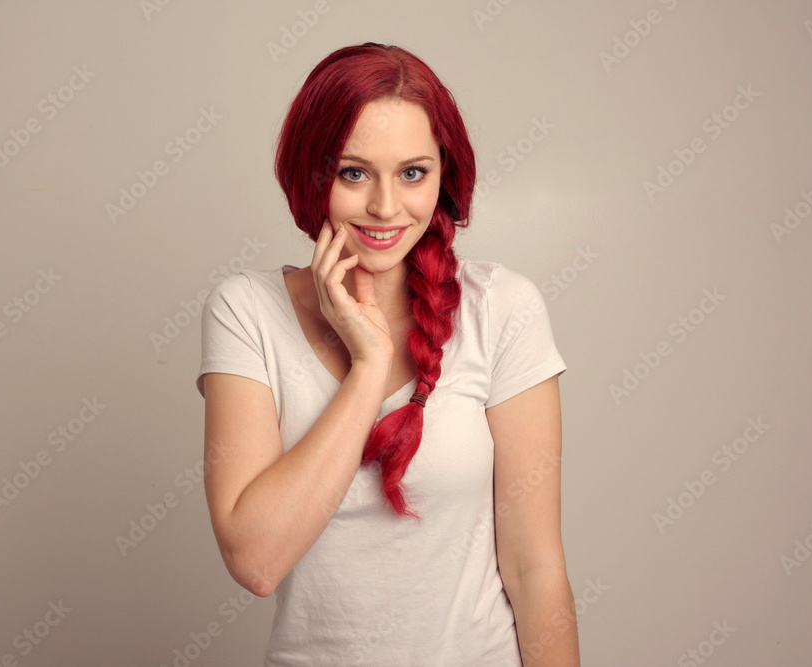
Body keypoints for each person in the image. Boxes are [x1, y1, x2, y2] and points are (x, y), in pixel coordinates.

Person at [196, 42, 580, 666]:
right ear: (311, 175)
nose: (383, 207)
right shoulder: (245, 312)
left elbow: (535, 566)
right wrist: (369, 368)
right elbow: (255, 559)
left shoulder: (503, 309)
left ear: (442, 177)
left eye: (412, 172)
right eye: (353, 172)